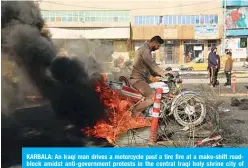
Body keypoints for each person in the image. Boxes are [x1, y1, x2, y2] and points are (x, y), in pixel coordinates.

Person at [130, 36, 173, 117]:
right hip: (138, 80)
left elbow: (151, 70)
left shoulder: (145, 50)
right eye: (158, 46)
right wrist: (163, 73)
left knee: (159, 85)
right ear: (154, 43)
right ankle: (134, 113)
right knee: (153, 97)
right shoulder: (145, 50)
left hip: (142, 79)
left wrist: (162, 74)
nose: (158, 48)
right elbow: (152, 64)